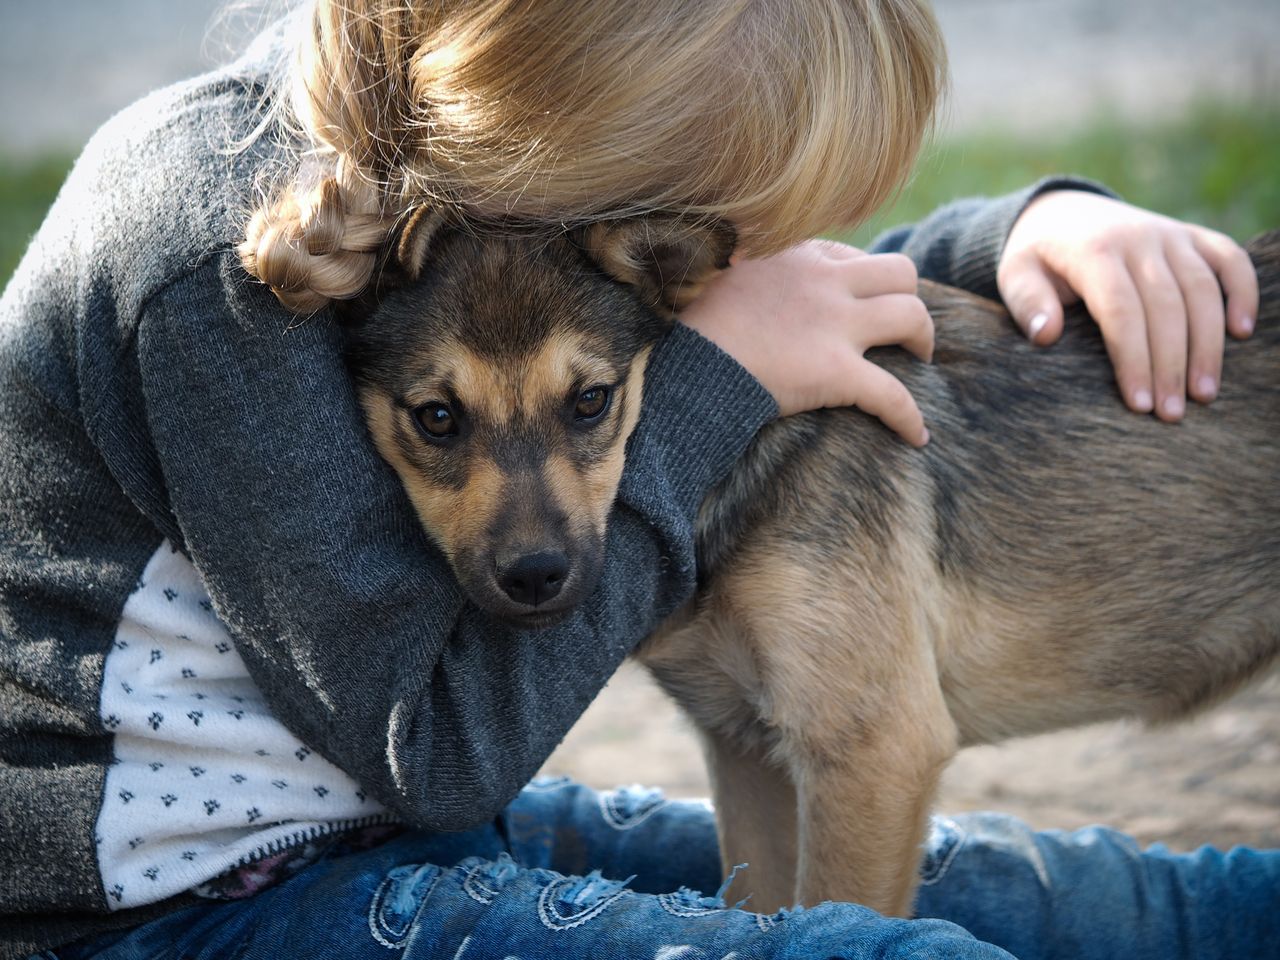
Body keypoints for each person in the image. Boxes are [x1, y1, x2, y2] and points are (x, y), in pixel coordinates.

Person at [0, 1, 1270, 958]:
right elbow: (432, 751)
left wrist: (1009, 234)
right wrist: (714, 388)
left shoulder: (486, 185)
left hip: (401, 837)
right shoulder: (218, 271)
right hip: (181, 904)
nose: (723, 273)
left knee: (1076, 902)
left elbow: (751, 298)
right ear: (560, 160)